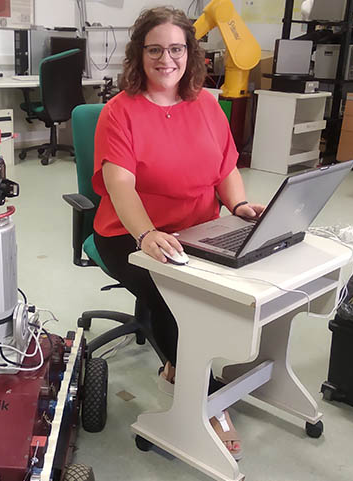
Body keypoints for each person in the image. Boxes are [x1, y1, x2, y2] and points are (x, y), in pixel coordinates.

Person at [91, 6, 264, 461]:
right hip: (129, 234)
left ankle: (181, 362)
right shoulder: (119, 112)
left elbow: (225, 167)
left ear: (190, 53)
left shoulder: (207, 102)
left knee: (236, 289)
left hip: (200, 228)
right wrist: (146, 233)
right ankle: (202, 402)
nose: (165, 59)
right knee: (176, 300)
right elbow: (120, 184)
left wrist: (240, 206)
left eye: (175, 48)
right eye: (154, 49)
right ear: (138, 54)